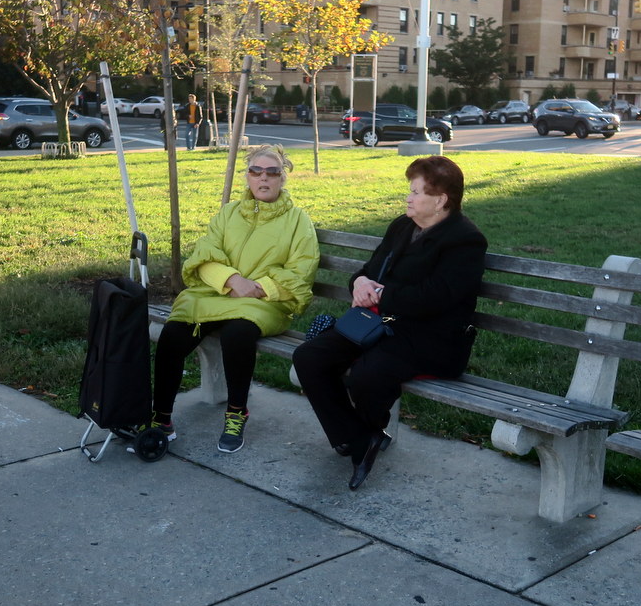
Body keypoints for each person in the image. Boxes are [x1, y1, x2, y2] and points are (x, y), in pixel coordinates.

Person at [293, 156, 488, 491]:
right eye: (409, 190)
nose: (408, 198)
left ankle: (361, 439)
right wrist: (359, 283)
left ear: (440, 200)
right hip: (379, 324)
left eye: (416, 192)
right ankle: (359, 437)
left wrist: (382, 294)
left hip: (432, 338)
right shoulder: (403, 226)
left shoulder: (465, 240)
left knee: (367, 374)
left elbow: (436, 297)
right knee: (309, 357)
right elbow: (370, 270)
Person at [144, 144, 319, 453]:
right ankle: (162, 418)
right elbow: (205, 255)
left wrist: (258, 288)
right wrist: (231, 280)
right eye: (256, 171)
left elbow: (301, 272)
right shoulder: (228, 213)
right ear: (247, 177)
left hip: (264, 304)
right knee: (174, 333)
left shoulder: (297, 221)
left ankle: (236, 413)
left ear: (282, 178)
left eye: (272, 172)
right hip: (217, 294)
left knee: (238, 333)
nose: (263, 178)